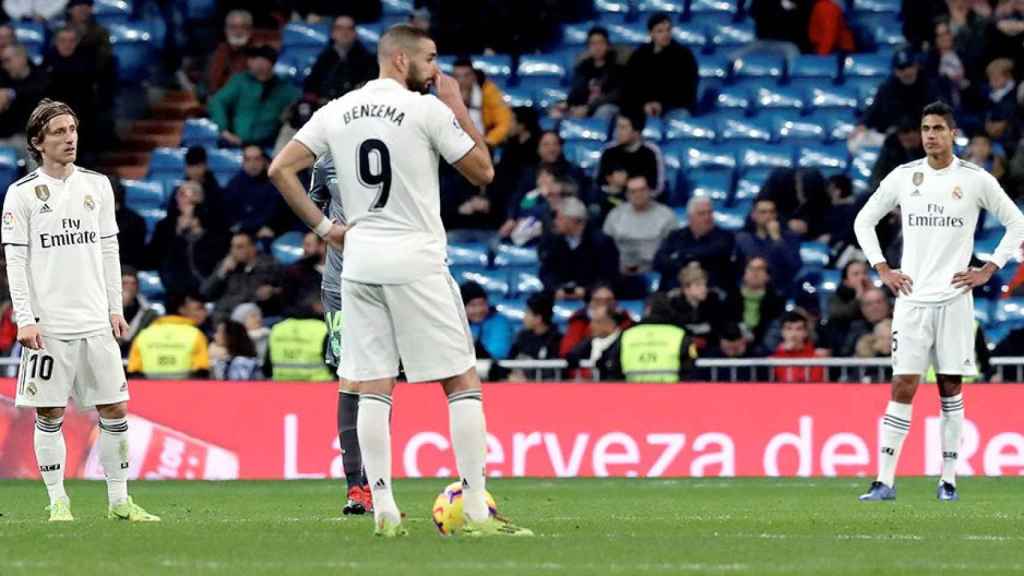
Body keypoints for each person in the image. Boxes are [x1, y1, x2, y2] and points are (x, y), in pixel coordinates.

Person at [268, 25, 532, 536]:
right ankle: (478, 510)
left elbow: (281, 168)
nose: (436, 71)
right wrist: (457, 104)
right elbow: (483, 172)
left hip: (361, 262)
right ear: (400, 60)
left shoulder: (337, 110)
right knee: (460, 380)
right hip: (415, 258)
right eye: (430, 59)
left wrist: (327, 229)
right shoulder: (427, 109)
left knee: (372, 385)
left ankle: (385, 509)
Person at [853, 101, 1024, 502]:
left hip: (954, 300)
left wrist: (989, 268)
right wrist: (882, 268)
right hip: (912, 300)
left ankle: (948, 479)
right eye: (926, 127)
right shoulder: (904, 176)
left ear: (953, 134)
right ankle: (885, 480)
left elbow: (1016, 221)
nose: (930, 135)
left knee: (950, 387)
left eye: (938, 129)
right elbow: (864, 219)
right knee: (902, 385)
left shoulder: (975, 179)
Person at [1, 99, 159, 521]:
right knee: (50, 412)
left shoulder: (97, 186)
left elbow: (110, 250)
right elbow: (15, 261)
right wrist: (26, 317)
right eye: (58, 132)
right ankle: (57, 500)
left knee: (115, 409)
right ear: (38, 141)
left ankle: (119, 501)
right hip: (49, 323)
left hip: (94, 319)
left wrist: (114, 307)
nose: (69, 137)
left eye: (72, 129)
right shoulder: (21, 195)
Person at [308, 154, 371, 515]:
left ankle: (377, 482)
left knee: (378, 380)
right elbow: (310, 203)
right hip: (339, 286)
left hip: (384, 280)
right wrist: (325, 230)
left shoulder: (394, 147)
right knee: (350, 378)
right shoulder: (327, 161)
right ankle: (355, 487)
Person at [208, 45, 300, 148]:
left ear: (272, 65)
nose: (261, 68)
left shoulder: (284, 88)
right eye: (257, 63)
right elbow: (217, 101)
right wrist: (224, 130)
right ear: (250, 63)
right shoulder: (240, 81)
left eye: (264, 64)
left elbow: (300, 102)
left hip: (269, 143)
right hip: (238, 141)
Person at [602, 174, 676, 298]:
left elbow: (673, 249)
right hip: (620, 274)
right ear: (627, 195)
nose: (638, 194)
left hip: (654, 271)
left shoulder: (666, 216)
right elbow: (604, 247)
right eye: (633, 191)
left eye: (642, 190)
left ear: (649, 191)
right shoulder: (615, 215)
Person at [537, 196, 621, 299]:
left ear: (574, 221)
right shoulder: (553, 240)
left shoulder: (602, 242)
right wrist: (556, 288)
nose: (555, 222)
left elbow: (609, 276)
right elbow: (546, 271)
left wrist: (587, 290)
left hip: (593, 297)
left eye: (560, 218)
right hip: (559, 295)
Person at [603, 293, 697, 382]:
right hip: (671, 395)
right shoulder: (679, 335)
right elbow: (689, 369)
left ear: (648, 309)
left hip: (632, 396)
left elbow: (611, 365)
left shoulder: (627, 335)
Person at [653, 196, 736, 292]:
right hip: (675, 290)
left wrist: (680, 257)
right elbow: (658, 260)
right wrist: (685, 265)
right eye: (702, 214)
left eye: (709, 212)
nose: (707, 217)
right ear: (690, 217)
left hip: (710, 291)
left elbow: (713, 255)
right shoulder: (675, 236)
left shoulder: (725, 237)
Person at [623, 12, 697, 117]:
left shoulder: (684, 55)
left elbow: (687, 90)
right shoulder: (640, 55)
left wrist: (662, 104)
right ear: (651, 33)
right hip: (643, 107)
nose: (666, 34)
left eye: (668, 30)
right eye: (660, 31)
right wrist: (644, 104)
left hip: (674, 107)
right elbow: (630, 85)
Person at [126, 290, 210, 380]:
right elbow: (201, 371)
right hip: (185, 390)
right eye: (199, 308)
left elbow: (133, 371)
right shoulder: (196, 335)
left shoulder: (143, 335)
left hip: (149, 390)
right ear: (182, 309)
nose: (205, 312)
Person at [200, 230, 281, 320]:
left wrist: (274, 291)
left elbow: (279, 289)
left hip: (254, 317)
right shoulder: (226, 265)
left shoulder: (268, 265)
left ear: (252, 248)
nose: (233, 251)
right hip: (224, 317)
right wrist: (222, 272)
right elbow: (205, 292)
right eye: (232, 247)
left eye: (239, 247)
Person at [595, 112, 665, 213]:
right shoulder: (608, 151)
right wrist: (613, 186)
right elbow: (598, 183)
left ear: (636, 132)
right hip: (612, 202)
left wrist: (627, 185)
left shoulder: (651, 152)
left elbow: (657, 188)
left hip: (643, 204)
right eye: (617, 127)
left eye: (623, 128)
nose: (617, 132)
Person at [304, 14, 378, 105]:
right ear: (332, 33)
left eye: (349, 28)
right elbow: (310, 88)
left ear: (355, 33)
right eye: (340, 28)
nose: (344, 32)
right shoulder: (323, 60)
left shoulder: (368, 60)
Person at [735, 198, 802, 295]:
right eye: (763, 212)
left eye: (772, 212)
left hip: (779, 291)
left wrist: (777, 239)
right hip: (747, 290)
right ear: (753, 215)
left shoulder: (790, 238)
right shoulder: (742, 239)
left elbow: (794, 266)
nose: (768, 216)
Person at [0, 44, 49, 164]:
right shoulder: (3, 77)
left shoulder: (40, 77)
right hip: (4, 137)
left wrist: (11, 94)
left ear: (21, 58)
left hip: (30, 138)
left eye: (8, 61)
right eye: (3, 62)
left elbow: (35, 92)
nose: (5, 66)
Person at [222, 145, 286, 237]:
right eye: (248, 160)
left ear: (264, 161)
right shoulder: (234, 184)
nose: (252, 164)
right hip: (242, 232)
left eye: (257, 159)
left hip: (267, 231)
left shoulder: (275, 184)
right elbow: (229, 215)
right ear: (243, 162)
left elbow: (275, 214)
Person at [558, 282, 634, 357]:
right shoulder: (579, 321)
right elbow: (566, 352)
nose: (604, 305)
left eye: (608, 300)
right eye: (598, 300)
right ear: (590, 303)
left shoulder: (626, 321)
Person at [452, 57, 511, 148]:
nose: (461, 80)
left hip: (483, 142)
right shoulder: (446, 93)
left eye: (466, 75)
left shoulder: (489, 91)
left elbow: (504, 122)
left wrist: (489, 141)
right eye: (457, 76)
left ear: (473, 76)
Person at [567, 26, 623, 120]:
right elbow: (575, 91)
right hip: (583, 108)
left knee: (604, 111)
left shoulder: (618, 69)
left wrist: (589, 108)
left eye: (601, 43)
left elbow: (615, 95)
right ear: (588, 47)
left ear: (608, 46)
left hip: (606, 107)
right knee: (557, 111)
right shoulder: (582, 68)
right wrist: (570, 105)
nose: (597, 47)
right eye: (593, 44)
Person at [507, 292, 563, 381]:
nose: (524, 317)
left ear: (538, 318)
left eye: (527, 313)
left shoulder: (557, 340)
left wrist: (528, 381)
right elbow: (508, 362)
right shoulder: (522, 337)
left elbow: (553, 372)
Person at [564, 304, 624, 380]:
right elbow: (572, 355)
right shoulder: (591, 341)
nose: (591, 325)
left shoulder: (623, 341)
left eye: (597, 321)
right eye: (591, 321)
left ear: (611, 324)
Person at [461, 280, 514, 361]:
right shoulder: (458, 324)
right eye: (473, 305)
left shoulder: (499, 323)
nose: (479, 310)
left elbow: (497, 356)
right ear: (462, 308)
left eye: (482, 304)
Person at [771, 311, 827, 383]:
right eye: (789, 328)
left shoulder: (816, 357)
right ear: (782, 332)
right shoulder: (773, 358)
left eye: (799, 329)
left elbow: (816, 383)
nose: (793, 334)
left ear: (805, 333)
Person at [207, 9, 253, 95]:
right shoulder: (217, 53)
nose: (238, 32)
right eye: (233, 27)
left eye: (243, 27)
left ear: (250, 31)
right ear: (225, 31)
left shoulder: (258, 54)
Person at [119, 266, 157, 356]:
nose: (129, 287)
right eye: (125, 283)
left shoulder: (149, 313)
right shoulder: (103, 309)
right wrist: (122, 306)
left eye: (133, 283)